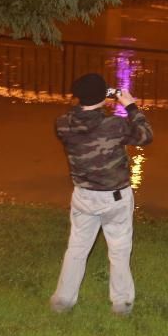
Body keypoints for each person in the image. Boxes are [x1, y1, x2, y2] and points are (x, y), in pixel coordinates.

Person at [50, 73, 153, 316]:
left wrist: (99, 99)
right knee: (119, 250)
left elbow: (83, 119)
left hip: (84, 196)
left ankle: (62, 301)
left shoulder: (62, 123)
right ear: (103, 97)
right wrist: (129, 105)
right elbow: (146, 135)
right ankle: (121, 304)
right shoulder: (114, 126)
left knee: (77, 248)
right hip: (115, 198)